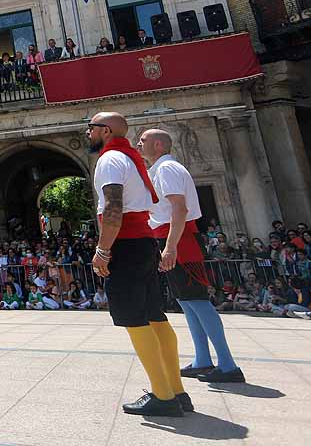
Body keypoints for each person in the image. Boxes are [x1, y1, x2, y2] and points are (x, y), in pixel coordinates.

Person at [88, 112, 187, 416]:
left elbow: (114, 208)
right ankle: (176, 390)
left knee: (134, 319)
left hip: (126, 245)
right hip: (145, 244)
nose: (88, 133)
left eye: (91, 128)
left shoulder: (110, 160)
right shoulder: (131, 159)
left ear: (105, 131)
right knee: (154, 315)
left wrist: (103, 250)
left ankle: (163, 395)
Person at [139, 128, 243, 384]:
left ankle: (228, 364)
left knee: (197, 300)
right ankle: (203, 360)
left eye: (143, 141)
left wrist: (171, 247)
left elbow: (179, 208)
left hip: (179, 240)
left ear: (159, 145)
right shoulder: (161, 169)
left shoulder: (167, 169)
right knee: (186, 302)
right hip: (170, 238)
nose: (138, 144)